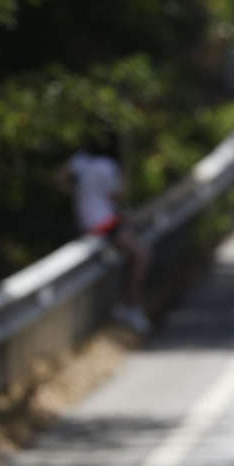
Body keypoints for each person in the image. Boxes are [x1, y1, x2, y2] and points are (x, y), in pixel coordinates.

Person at [57, 140, 150, 334]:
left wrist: (77, 192)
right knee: (140, 254)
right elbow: (119, 195)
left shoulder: (80, 161)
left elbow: (60, 179)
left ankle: (125, 304)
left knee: (130, 234)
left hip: (86, 222)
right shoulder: (107, 166)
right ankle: (129, 305)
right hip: (103, 224)